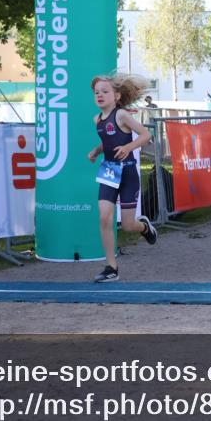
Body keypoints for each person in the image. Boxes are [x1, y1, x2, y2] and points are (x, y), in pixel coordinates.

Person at [86, 73, 158, 283]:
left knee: (128, 226)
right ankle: (111, 267)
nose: (100, 95)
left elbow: (146, 135)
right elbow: (108, 141)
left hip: (127, 172)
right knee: (104, 217)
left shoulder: (122, 115)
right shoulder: (97, 119)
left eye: (104, 92)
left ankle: (144, 226)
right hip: (109, 171)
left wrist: (128, 147)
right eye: (96, 93)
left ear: (117, 96)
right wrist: (97, 151)